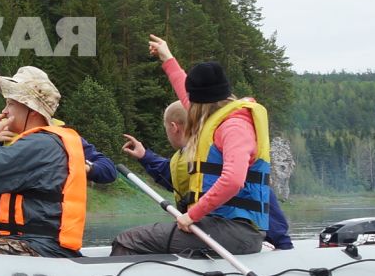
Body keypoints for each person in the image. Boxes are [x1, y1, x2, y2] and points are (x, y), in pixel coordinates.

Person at [111, 36, 273, 257]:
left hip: (236, 231)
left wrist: (192, 214)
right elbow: (183, 87)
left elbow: (233, 180)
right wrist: (166, 57)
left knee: (127, 241)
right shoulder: (215, 116)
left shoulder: (235, 127)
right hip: (221, 226)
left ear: (202, 102)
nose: (189, 106)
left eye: (193, 102)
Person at [0, 66, 98, 257]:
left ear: (30, 109)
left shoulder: (40, 143)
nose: (4, 111)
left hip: (40, 247)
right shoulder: (38, 142)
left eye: (10, 104)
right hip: (31, 243)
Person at [122, 101, 293, 250]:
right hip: (209, 230)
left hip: (232, 232)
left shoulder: (217, 157)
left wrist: (282, 242)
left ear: (174, 127)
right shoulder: (190, 157)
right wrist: (145, 156)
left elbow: (259, 195)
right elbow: (174, 175)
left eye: (166, 128)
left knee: (128, 240)